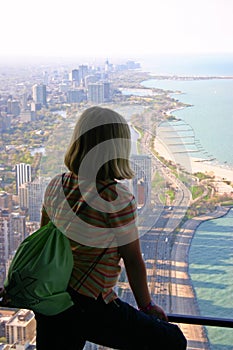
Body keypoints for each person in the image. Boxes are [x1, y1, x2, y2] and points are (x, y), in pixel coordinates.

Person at [35, 106, 187, 349]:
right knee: (172, 340)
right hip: (89, 303)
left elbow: (43, 243)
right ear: (117, 150)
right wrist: (146, 306)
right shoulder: (116, 200)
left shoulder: (56, 185)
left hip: (51, 297)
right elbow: (133, 260)